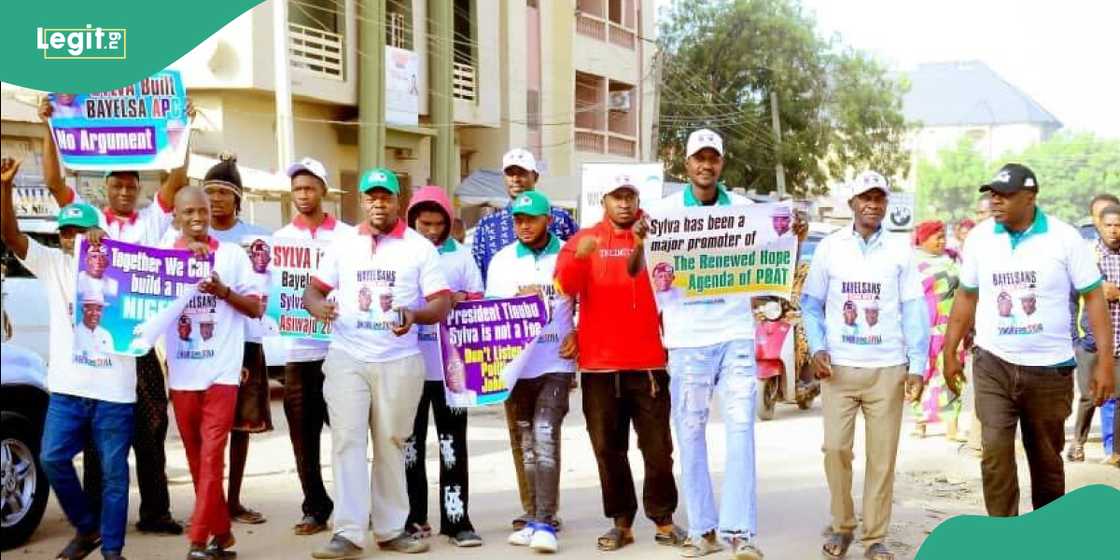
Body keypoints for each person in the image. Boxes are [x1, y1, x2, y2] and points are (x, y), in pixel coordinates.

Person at [40, 96, 193, 536]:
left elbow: (176, 178)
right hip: (96, 344)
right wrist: (50, 128)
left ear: (139, 189)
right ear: (105, 187)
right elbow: (53, 181)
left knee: (151, 426)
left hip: (138, 340)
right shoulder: (89, 222)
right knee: (95, 434)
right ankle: (94, 517)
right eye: (118, 185)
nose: (125, 191)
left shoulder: (151, 221)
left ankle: (156, 511)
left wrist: (180, 128)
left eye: (132, 185)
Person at [942, 163, 1115, 517]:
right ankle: (1005, 539)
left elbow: (1094, 297)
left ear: (1030, 197)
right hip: (994, 362)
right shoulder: (980, 238)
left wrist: (1106, 364)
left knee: (1047, 463)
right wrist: (949, 351)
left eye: (1005, 195)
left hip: (1049, 370)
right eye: (993, 195)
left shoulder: (1064, 238)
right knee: (994, 454)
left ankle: (1044, 539)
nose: (996, 202)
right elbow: (966, 297)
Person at [304, 167, 452, 558]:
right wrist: (320, 308)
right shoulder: (342, 245)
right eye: (372, 197)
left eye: (385, 196)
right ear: (363, 201)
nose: (378, 203)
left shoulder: (419, 247)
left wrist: (414, 315)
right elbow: (312, 291)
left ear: (398, 201)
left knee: (391, 443)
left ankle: (389, 529)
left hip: (399, 360)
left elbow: (441, 302)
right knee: (347, 440)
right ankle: (348, 532)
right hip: (347, 355)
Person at [631, 128, 765, 560]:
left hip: (735, 332)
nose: (706, 165)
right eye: (698, 158)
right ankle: (704, 530)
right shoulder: (664, 213)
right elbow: (640, 270)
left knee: (742, 427)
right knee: (689, 432)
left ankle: (739, 531)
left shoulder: (745, 210)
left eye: (713, 158)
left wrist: (794, 233)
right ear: (686, 165)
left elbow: (774, 259)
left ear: (721, 163)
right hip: (688, 340)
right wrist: (639, 239)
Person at [2, 158, 136, 560]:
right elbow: (11, 235)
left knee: (114, 476)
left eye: (81, 231)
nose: (72, 239)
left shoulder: (124, 265)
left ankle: (113, 551)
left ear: (98, 233)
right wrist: (4, 188)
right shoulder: (53, 264)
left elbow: (159, 277)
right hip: (67, 389)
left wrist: (108, 246)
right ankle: (87, 527)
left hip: (114, 390)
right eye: (66, 232)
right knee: (51, 457)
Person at [801, 171, 929, 560]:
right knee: (835, 449)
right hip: (838, 369)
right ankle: (842, 526)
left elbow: (913, 309)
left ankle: (874, 537)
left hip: (887, 368)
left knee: (882, 457)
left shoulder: (900, 250)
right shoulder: (831, 248)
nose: (873, 205)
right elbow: (810, 303)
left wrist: (917, 364)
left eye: (879, 198)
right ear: (852, 203)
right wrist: (817, 347)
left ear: (886, 204)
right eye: (865, 198)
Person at [554, 174, 685, 551]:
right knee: (608, 449)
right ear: (605, 201)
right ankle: (621, 523)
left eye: (630, 196)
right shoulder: (583, 239)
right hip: (599, 366)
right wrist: (580, 258)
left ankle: (663, 519)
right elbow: (565, 287)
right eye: (617, 197)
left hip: (648, 364)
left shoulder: (659, 234)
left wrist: (648, 241)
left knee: (658, 447)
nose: (624, 204)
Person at [470, 147, 578, 531]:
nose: (524, 225)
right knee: (524, 440)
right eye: (519, 219)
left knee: (546, 432)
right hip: (514, 367)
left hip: (555, 362)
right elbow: (490, 311)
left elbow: (586, 298)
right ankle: (533, 511)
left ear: (548, 219)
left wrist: (578, 334)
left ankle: (545, 519)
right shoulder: (498, 257)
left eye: (532, 218)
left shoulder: (568, 252)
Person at [162, 185, 263, 559]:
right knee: (194, 455)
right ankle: (222, 534)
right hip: (183, 370)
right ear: (176, 215)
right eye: (188, 212)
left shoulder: (233, 256)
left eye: (202, 211)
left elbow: (255, 308)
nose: (197, 219)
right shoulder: (161, 255)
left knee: (212, 455)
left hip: (222, 370)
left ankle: (198, 539)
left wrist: (222, 290)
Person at [186, 153, 276, 525]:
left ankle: (233, 500)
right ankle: (209, 503)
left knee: (240, 426)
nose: (217, 200)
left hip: (244, 340)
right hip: (197, 341)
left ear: (238, 198)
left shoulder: (257, 239)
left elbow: (265, 290)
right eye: (210, 193)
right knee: (200, 427)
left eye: (224, 192)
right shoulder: (191, 236)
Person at [272, 157, 355, 535]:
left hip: (339, 349)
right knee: (302, 437)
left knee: (346, 434)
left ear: (324, 190)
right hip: (296, 352)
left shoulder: (348, 237)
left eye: (309, 187)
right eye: (297, 189)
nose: (303, 195)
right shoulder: (279, 240)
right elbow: (273, 294)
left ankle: (354, 504)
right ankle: (314, 506)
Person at [402, 185, 485, 546]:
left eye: (439, 224)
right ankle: (412, 518)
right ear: (412, 221)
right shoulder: (400, 253)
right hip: (408, 367)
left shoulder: (462, 257)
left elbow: (480, 306)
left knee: (452, 447)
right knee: (410, 448)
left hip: (452, 372)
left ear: (449, 223)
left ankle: (456, 520)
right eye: (425, 223)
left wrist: (462, 299)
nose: (432, 231)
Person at [471, 147, 579, 284]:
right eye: (510, 174)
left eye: (521, 173)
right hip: (502, 300)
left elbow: (578, 261)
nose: (515, 179)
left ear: (535, 177)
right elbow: (477, 274)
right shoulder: (488, 225)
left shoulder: (560, 218)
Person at [1068, 199, 1120, 465]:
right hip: (1089, 342)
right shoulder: (1087, 257)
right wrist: (1074, 337)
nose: (1113, 231)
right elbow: (1071, 295)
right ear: (1099, 226)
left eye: (1118, 226)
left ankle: (1116, 453)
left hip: (1118, 342)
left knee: (1119, 396)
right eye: (1108, 225)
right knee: (1089, 396)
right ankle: (1078, 443)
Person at [909, 221, 967, 441]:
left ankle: (952, 425)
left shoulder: (952, 261)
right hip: (924, 330)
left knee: (952, 375)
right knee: (922, 374)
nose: (942, 241)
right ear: (922, 239)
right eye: (937, 237)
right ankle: (919, 423)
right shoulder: (913, 264)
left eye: (943, 236)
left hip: (951, 329)